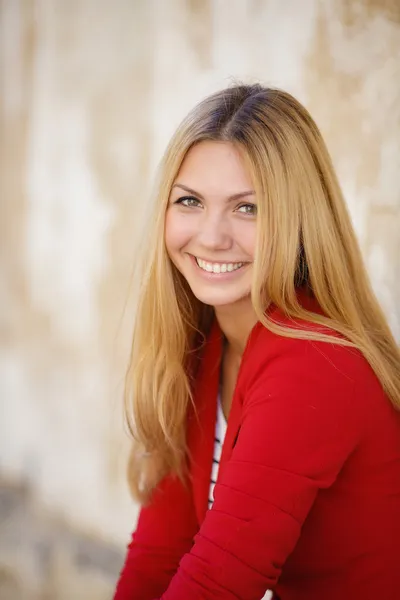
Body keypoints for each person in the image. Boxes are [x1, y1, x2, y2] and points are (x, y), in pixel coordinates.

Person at [113, 84, 400, 600]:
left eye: (248, 209)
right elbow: (160, 555)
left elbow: (215, 583)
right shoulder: (202, 342)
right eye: (190, 201)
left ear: (297, 221)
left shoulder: (316, 363)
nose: (212, 236)